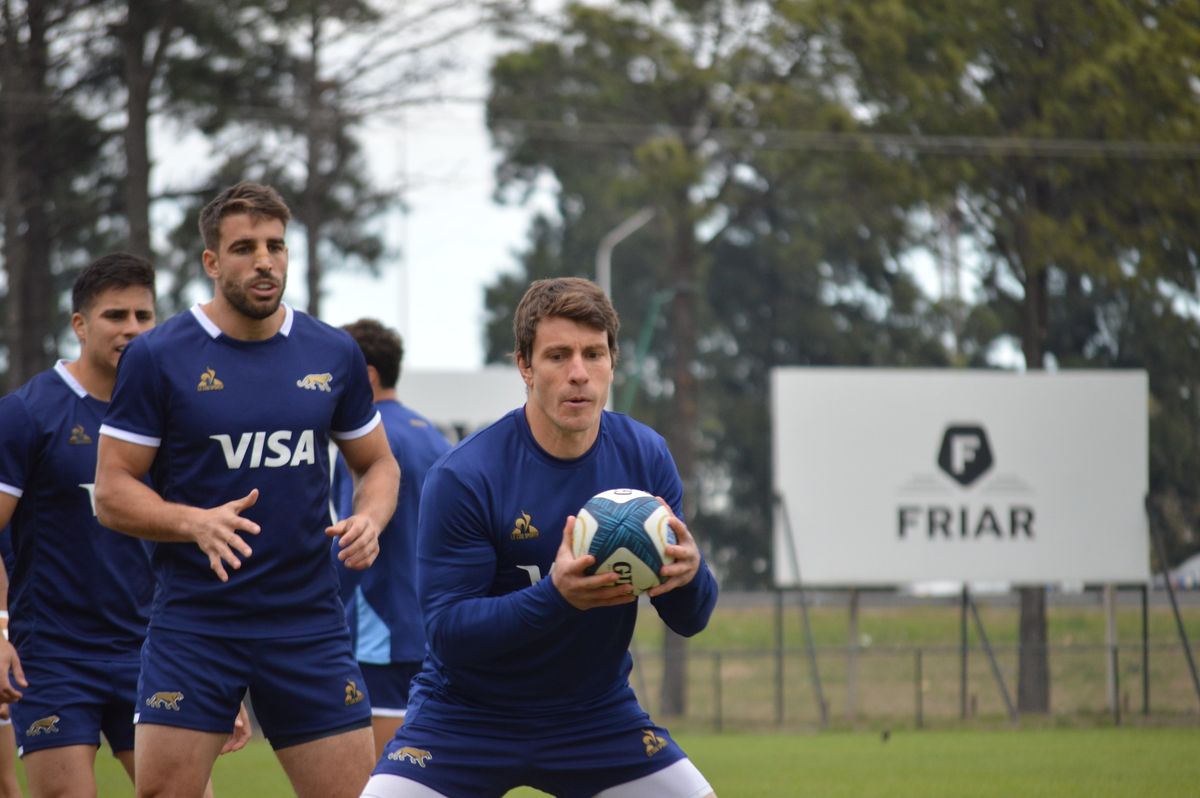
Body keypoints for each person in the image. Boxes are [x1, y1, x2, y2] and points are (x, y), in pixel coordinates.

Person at [93, 182, 400, 798]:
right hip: (196, 624)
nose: (265, 260)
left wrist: (369, 519)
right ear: (212, 261)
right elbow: (111, 490)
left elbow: (379, 465)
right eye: (244, 247)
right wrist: (192, 523)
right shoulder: (158, 356)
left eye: (276, 246)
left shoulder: (332, 352)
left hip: (308, 622)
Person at [361, 277, 719, 798]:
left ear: (612, 362)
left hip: (595, 716)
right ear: (525, 366)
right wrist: (555, 597)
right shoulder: (467, 474)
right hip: (465, 718)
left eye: (593, 354)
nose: (578, 373)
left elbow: (691, 619)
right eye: (557, 356)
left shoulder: (645, 458)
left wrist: (690, 577)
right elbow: (447, 631)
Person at [0, 254, 248, 797]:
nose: (132, 330)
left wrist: (222, 671)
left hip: (154, 651)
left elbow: (201, 537)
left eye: (143, 316)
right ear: (80, 325)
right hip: (54, 656)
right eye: (116, 316)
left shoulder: (175, 414)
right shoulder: (27, 413)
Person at [331, 319, 453, 759]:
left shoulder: (371, 441)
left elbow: (350, 539)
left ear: (364, 375)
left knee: (382, 777)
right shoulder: (434, 435)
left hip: (379, 628)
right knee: (427, 771)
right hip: (431, 626)